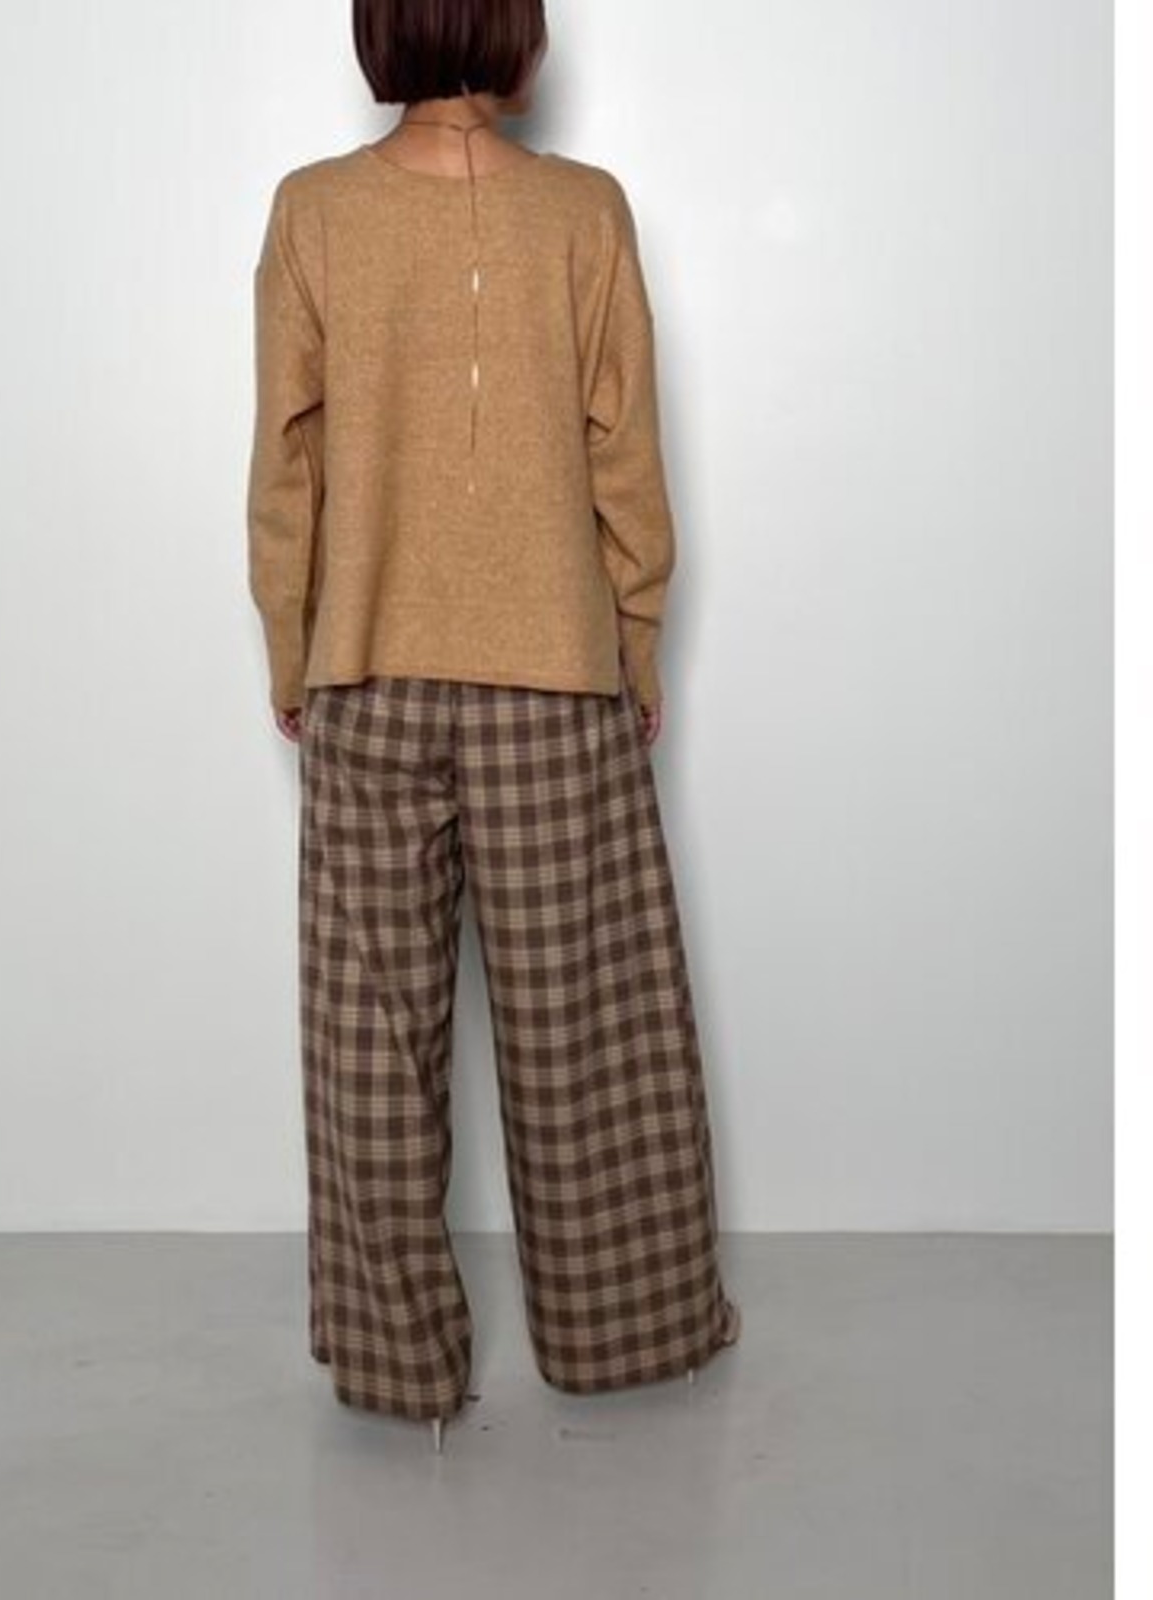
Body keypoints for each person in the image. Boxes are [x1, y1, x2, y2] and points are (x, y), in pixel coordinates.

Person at [246, 0, 740, 1451]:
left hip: (368, 672)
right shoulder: (584, 212)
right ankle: (627, 1330)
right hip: (554, 677)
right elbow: (625, 458)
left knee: (371, 1037)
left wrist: (292, 640)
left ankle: (397, 1365)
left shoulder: (314, 211)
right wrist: (632, 635)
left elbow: (285, 462)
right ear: (514, 35)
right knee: (590, 1022)